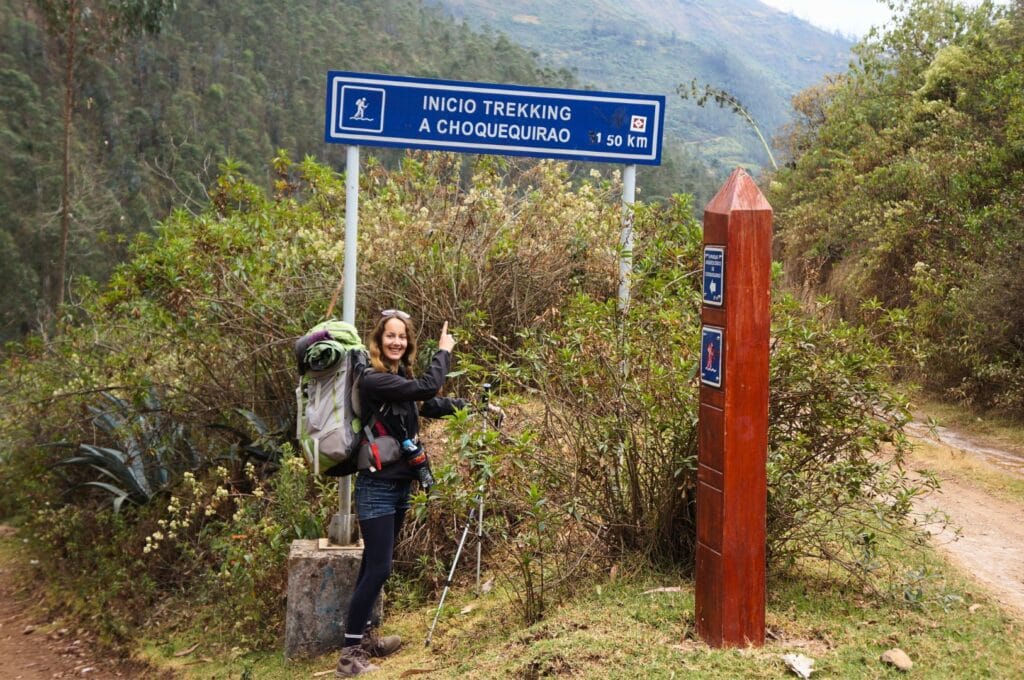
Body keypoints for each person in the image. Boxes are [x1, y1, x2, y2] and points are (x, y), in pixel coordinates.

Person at [335, 309, 463, 677]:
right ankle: (348, 658)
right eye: (390, 336)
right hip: (376, 487)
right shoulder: (372, 379)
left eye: (402, 337)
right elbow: (427, 388)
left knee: (371, 568)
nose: (397, 342)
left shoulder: (397, 378)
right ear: (378, 340)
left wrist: (474, 407)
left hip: (398, 484)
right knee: (379, 568)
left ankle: (362, 638)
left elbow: (430, 403)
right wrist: (444, 351)